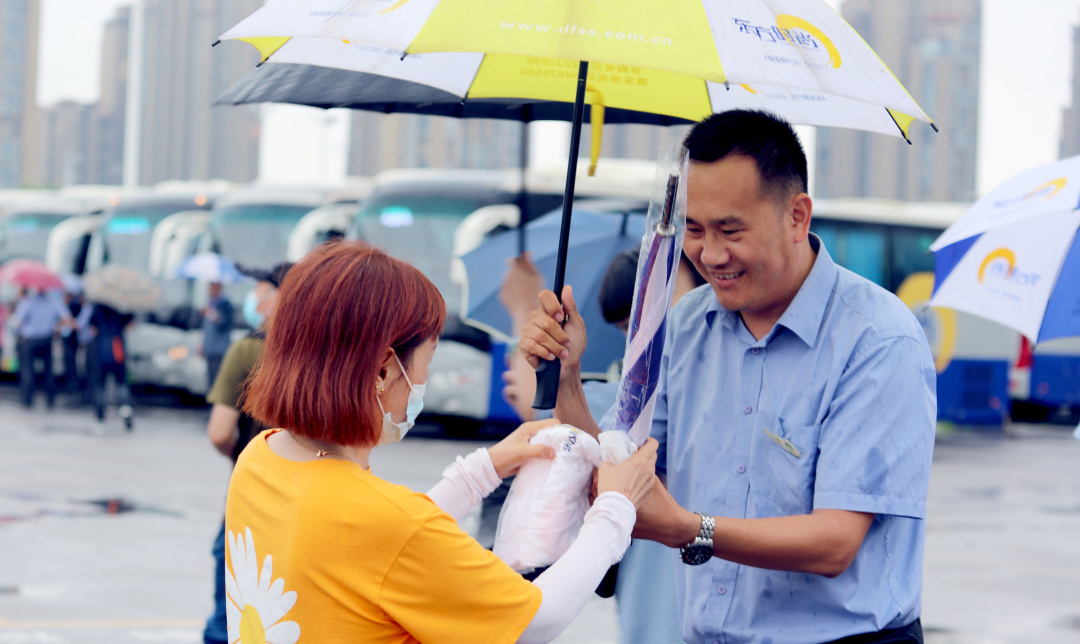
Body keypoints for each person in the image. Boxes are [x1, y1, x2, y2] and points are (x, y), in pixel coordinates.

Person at [520, 110, 937, 644]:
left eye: (730, 230)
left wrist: (691, 529)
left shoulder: (877, 341)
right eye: (693, 229)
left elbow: (836, 541)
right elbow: (623, 471)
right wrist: (570, 378)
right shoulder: (688, 324)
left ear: (797, 216)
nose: (711, 255)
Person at [225, 241, 658, 643]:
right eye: (426, 361)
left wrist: (480, 472)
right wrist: (615, 510)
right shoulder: (385, 521)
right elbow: (534, 620)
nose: (423, 380)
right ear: (381, 372)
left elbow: (377, 553)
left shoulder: (260, 457)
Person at [498, 248, 703, 644]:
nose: (656, 327)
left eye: (671, 299)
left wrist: (525, 303)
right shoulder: (639, 391)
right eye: (632, 328)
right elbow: (588, 446)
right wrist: (563, 370)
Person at [201, 262, 292, 644]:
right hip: (304, 507)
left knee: (231, 620)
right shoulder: (323, 358)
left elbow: (220, 432)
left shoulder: (248, 351)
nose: (255, 300)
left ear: (281, 298)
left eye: (261, 292)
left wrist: (243, 458)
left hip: (250, 496)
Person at [9, 287, 73, 409]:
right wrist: (60, 329)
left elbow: (16, 322)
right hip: (47, 340)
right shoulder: (54, 302)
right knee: (48, 371)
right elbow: (67, 320)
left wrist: (18, 331)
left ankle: (27, 400)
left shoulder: (27, 302)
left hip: (30, 340)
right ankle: (50, 400)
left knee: (28, 370)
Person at [86, 302, 135, 430]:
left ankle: (100, 418)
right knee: (121, 383)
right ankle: (125, 408)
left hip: (101, 350)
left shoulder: (97, 306)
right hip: (117, 349)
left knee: (100, 385)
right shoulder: (122, 306)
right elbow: (129, 326)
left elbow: (92, 329)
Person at [201, 281, 233, 388]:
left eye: (214, 286)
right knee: (210, 379)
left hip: (219, 349)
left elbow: (223, 322)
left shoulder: (225, 305)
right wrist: (202, 345)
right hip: (210, 348)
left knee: (218, 380)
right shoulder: (210, 303)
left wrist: (211, 313)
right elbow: (206, 329)